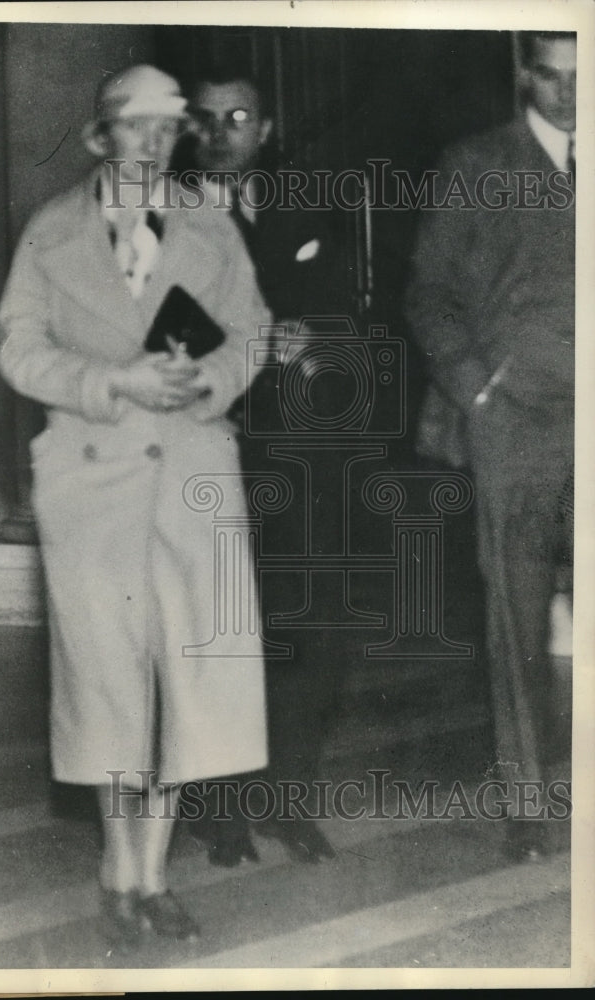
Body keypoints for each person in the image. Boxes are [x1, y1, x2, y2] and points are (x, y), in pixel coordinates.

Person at [0, 64, 270, 944]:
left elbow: (253, 329)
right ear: (97, 137)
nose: (156, 142)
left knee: (185, 681)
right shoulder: (51, 232)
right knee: (109, 682)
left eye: (168, 127)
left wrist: (208, 384)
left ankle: (154, 879)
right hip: (91, 480)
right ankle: (118, 873)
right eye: (137, 125)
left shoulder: (209, 222)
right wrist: (112, 378)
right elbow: (20, 351)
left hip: (192, 469)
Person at [405, 32, 575, 859]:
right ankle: (531, 802)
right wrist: (477, 386)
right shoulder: (477, 161)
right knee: (516, 613)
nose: (570, 91)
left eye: (585, 75)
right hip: (521, 421)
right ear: (524, 76)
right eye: (552, 74)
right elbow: (429, 290)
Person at [183, 69, 349, 866]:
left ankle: (287, 796)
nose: (222, 133)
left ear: (266, 127)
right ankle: (216, 810)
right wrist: (250, 346)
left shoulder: (305, 203)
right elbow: (153, 323)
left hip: (297, 449)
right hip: (205, 445)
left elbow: (341, 303)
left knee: (304, 623)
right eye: (208, 120)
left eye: (238, 117)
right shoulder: (162, 215)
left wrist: (311, 333)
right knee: (215, 628)